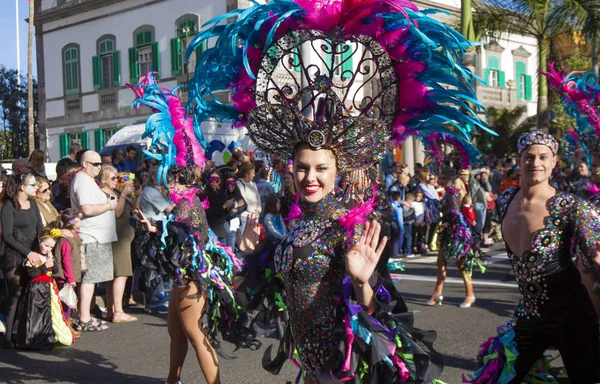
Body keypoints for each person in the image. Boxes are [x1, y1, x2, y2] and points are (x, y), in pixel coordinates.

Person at [129, 76, 257, 383]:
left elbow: (179, 244)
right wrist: (154, 225)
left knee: (196, 335)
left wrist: (153, 230)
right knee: (177, 333)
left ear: (177, 181)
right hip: (182, 278)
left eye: (167, 180)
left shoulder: (186, 205)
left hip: (191, 278)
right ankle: (173, 380)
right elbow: (176, 230)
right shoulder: (184, 204)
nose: (164, 185)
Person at [464, 130, 600, 383]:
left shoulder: (571, 206)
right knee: (500, 377)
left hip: (572, 316)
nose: (535, 163)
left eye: (543, 157)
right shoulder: (506, 199)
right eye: (529, 156)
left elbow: (597, 254)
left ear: (553, 162)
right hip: (529, 312)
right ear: (520, 158)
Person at [70, 150, 117, 332]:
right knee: (89, 280)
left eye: (100, 164)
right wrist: (108, 205)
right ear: (84, 164)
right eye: (95, 164)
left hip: (97, 236)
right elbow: (87, 209)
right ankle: (84, 318)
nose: (99, 167)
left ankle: (86, 315)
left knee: (92, 280)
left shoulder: (87, 180)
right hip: (92, 236)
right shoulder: (82, 181)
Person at [0, 173, 44, 349]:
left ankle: (26, 332)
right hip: (14, 255)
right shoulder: (9, 206)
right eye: (33, 185)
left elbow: (39, 229)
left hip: (33, 252)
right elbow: (8, 236)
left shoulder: (33, 204)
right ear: (22, 187)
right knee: (16, 293)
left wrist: (43, 248)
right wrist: (28, 253)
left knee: (30, 292)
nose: (36, 188)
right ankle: (7, 336)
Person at [11, 229, 74, 350]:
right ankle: (32, 339)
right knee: (34, 315)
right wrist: (45, 266)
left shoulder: (48, 257)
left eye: (51, 247)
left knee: (50, 314)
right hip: (35, 290)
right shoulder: (33, 257)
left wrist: (52, 261)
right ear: (39, 243)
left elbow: (55, 270)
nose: (48, 249)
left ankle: (47, 337)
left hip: (49, 289)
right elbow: (32, 274)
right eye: (46, 245)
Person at [426, 179, 484, 309]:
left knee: (461, 263)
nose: (435, 179)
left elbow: (455, 215)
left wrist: (446, 225)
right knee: (441, 262)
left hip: (457, 232)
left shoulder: (451, 194)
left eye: (439, 176)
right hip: (448, 232)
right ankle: (437, 293)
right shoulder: (447, 193)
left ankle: (470, 294)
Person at [99, 166, 138, 323]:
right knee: (121, 274)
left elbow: (133, 208)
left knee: (114, 275)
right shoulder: (108, 195)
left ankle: (111, 310)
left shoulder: (116, 194)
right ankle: (118, 311)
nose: (116, 181)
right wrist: (123, 195)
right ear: (105, 179)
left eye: (117, 178)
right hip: (118, 238)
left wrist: (135, 196)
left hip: (122, 238)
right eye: (113, 178)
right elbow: (117, 212)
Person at [204, 169, 229, 244]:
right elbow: (207, 212)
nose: (214, 182)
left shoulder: (223, 193)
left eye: (216, 180)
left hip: (221, 230)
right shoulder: (205, 194)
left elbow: (225, 214)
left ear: (220, 181)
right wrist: (223, 207)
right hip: (210, 230)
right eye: (212, 179)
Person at [236, 163, 261, 233]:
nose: (254, 175)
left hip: (255, 216)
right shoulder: (239, 183)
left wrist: (258, 210)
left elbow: (258, 197)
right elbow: (243, 198)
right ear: (247, 174)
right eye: (252, 173)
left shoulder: (253, 184)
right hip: (245, 217)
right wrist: (252, 211)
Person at [224, 173, 246, 249]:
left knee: (233, 249)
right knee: (229, 250)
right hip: (228, 227)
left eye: (232, 183)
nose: (230, 186)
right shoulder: (224, 195)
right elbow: (227, 215)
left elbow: (245, 205)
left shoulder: (236, 192)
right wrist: (233, 211)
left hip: (235, 225)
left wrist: (236, 209)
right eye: (228, 184)